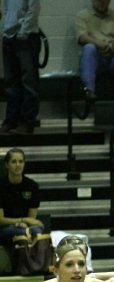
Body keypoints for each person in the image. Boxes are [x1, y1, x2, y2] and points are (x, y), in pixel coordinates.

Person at [1, 0, 40, 134]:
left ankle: (27, 121)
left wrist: (23, 31)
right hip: (9, 36)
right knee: (11, 82)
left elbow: (33, 10)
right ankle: (11, 119)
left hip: (26, 37)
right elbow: (6, 9)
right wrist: (5, 29)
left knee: (28, 81)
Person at [0, 147, 42, 246]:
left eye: (21, 161)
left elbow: (32, 219)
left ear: (24, 164)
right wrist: (22, 221)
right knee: (23, 233)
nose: (18, 165)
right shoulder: (0, 185)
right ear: (7, 165)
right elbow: (0, 220)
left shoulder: (32, 186)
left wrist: (25, 223)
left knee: (37, 230)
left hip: (26, 227)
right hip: (4, 229)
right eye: (14, 162)